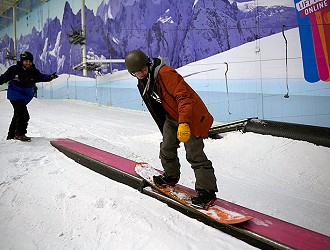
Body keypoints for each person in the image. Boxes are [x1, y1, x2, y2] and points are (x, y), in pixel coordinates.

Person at [125, 50, 218, 209]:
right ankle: (170, 176)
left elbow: (184, 98)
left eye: (142, 69)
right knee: (167, 147)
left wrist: (184, 123)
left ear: (148, 64)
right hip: (171, 117)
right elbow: (155, 107)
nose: (140, 73)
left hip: (190, 117)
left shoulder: (166, 73)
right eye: (136, 72)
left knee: (194, 154)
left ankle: (207, 191)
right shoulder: (143, 82)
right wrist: (166, 126)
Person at [0, 51, 58, 141]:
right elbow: (3, 78)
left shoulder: (33, 71)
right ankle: (19, 134)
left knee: (17, 115)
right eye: (26, 61)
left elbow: (42, 77)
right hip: (15, 95)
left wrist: (50, 77)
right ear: (22, 61)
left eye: (30, 61)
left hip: (25, 97)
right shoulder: (14, 70)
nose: (28, 63)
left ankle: (11, 136)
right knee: (24, 115)